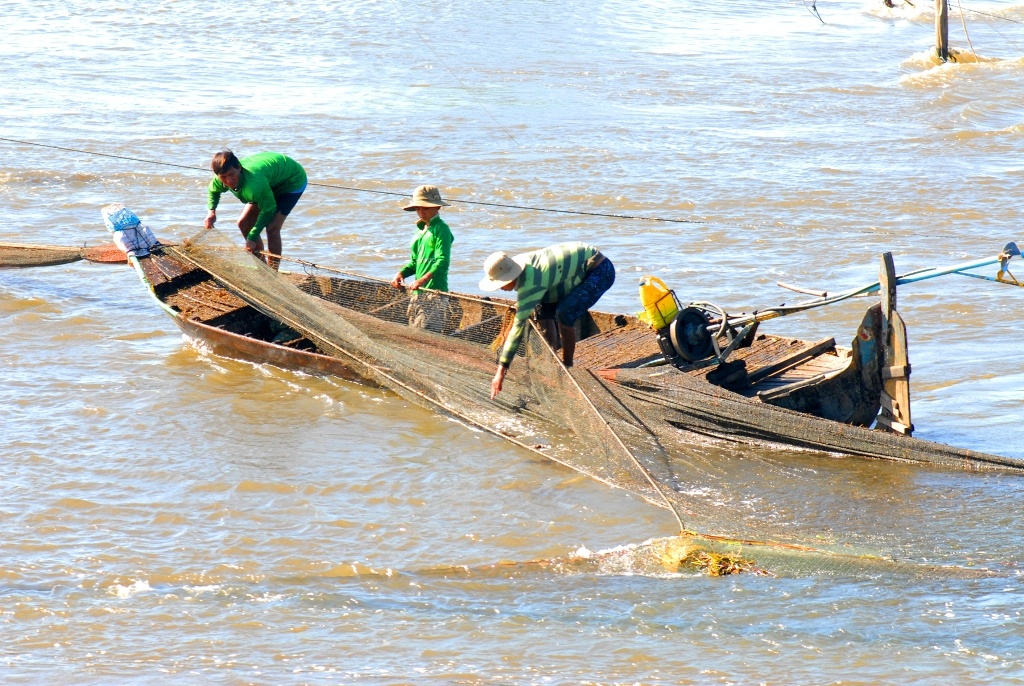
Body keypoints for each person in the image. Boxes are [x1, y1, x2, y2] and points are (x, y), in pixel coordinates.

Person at [479, 241, 615, 399]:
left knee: (565, 312)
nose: (500, 287)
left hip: (600, 270)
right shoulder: (519, 264)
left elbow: (517, 329)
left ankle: (567, 367)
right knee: (541, 309)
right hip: (566, 276)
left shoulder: (532, 282)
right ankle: (552, 359)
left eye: (501, 283)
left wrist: (500, 372)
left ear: (512, 276)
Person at [203, 150, 307, 269]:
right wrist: (211, 212)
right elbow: (213, 191)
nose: (229, 181)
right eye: (223, 177)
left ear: (239, 168)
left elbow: (268, 209)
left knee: (272, 228)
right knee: (243, 223)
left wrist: (252, 237)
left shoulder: (255, 185)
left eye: (232, 175)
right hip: (267, 179)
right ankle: (262, 268)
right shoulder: (221, 179)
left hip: (291, 180)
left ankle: (273, 274)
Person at [390, 185, 454, 332]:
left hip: (434, 294)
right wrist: (401, 273)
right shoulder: (420, 231)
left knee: (428, 336)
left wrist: (422, 280)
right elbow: (414, 262)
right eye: (418, 208)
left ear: (437, 207)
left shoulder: (441, 229)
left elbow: (442, 261)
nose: (421, 212)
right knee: (414, 334)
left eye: (425, 208)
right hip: (417, 293)